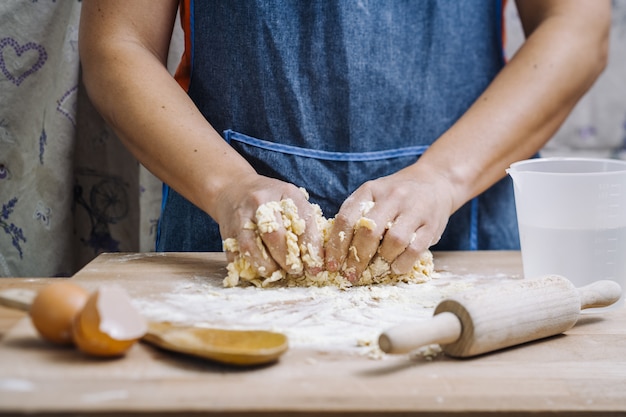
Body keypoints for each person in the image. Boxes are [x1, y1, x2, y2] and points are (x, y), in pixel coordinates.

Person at [78, 1, 610, 283]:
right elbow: (117, 42)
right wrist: (229, 185)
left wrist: (443, 178)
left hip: (468, 211)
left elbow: (578, 26)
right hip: (229, 222)